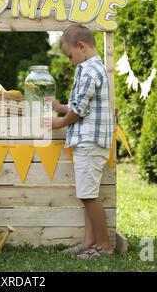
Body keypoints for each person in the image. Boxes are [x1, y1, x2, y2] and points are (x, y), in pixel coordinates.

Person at [47, 24, 114, 259]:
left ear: (81, 47)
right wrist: (59, 107)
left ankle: (105, 246)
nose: (69, 61)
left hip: (90, 142)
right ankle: (89, 241)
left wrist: (58, 122)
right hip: (89, 142)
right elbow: (82, 106)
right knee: (88, 194)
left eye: (69, 55)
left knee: (88, 196)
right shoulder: (92, 69)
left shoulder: (89, 71)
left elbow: (78, 111)